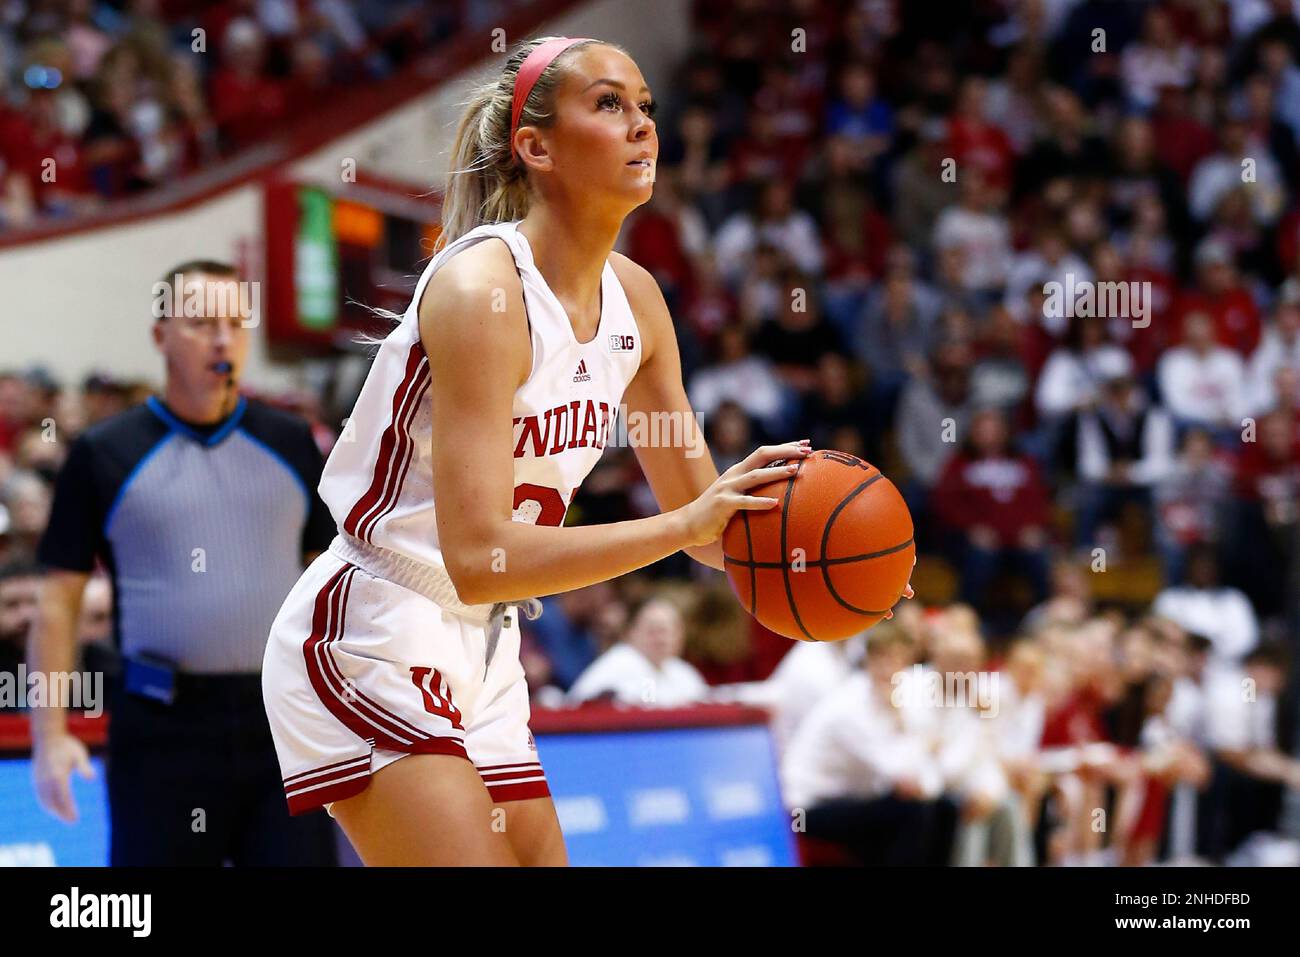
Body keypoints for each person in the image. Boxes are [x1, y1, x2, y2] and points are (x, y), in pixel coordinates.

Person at [260, 36, 920, 867]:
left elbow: (712, 529)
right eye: (609, 104)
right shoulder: (483, 291)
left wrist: (839, 565)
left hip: (485, 643)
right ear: (536, 148)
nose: (642, 124)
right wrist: (683, 525)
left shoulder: (638, 302)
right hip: (375, 623)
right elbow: (481, 556)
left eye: (645, 104)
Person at [31, 260, 338, 866]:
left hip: (284, 725)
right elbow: (58, 600)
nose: (222, 339)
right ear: (160, 335)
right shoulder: (104, 452)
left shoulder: (291, 442)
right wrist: (50, 736)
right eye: (200, 322)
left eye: (235, 323)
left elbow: (327, 584)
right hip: (160, 727)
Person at [567, 596, 708, 707]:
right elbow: (648, 706)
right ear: (631, 632)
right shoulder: (621, 662)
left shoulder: (682, 671)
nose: (661, 639)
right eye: (653, 631)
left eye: (667, 631)